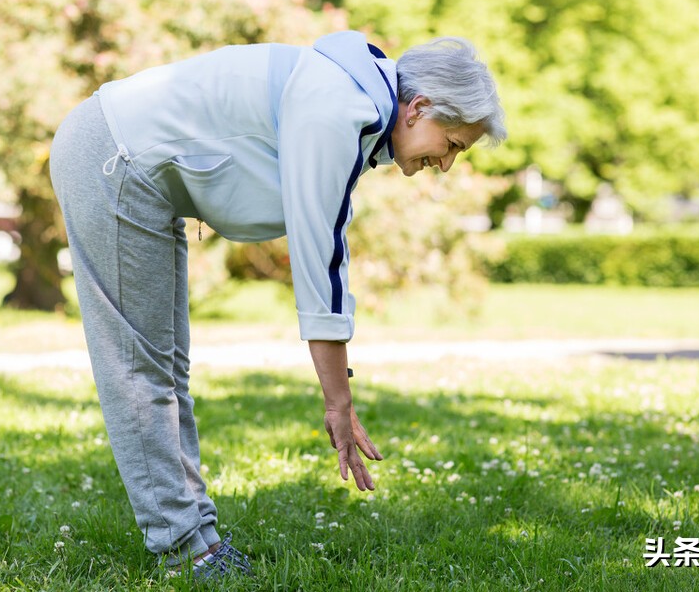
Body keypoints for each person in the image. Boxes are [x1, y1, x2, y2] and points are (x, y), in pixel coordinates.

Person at [49, 30, 507, 579]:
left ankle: (196, 538)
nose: (448, 163)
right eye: (452, 144)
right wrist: (338, 403)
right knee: (139, 370)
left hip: (136, 167)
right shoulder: (340, 107)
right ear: (420, 107)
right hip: (113, 157)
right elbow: (320, 263)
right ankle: (186, 550)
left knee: (166, 368)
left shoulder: (357, 105)